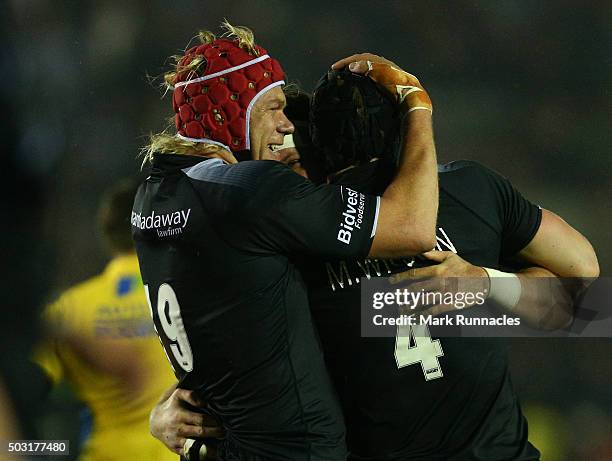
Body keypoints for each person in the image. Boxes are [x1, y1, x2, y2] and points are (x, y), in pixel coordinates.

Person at [150, 65, 599, 460]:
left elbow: (239, 362)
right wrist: (487, 283)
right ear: (403, 131)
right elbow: (586, 292)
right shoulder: (470, 190)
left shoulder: (294, 238)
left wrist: (169, 411)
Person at [133, 21, 439, 460]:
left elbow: (575, 308)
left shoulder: (156, 196)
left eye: (295, 162)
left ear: (326, 168)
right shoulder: (282, 235)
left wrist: (487, 287)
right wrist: (418, 106)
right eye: (274, 113)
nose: (283, 132)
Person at [33, 178, 177, 461]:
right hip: (177, 453)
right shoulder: (187, 294)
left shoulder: (68, 308)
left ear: (106, 233)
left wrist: (26, 449)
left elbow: (25, 384)